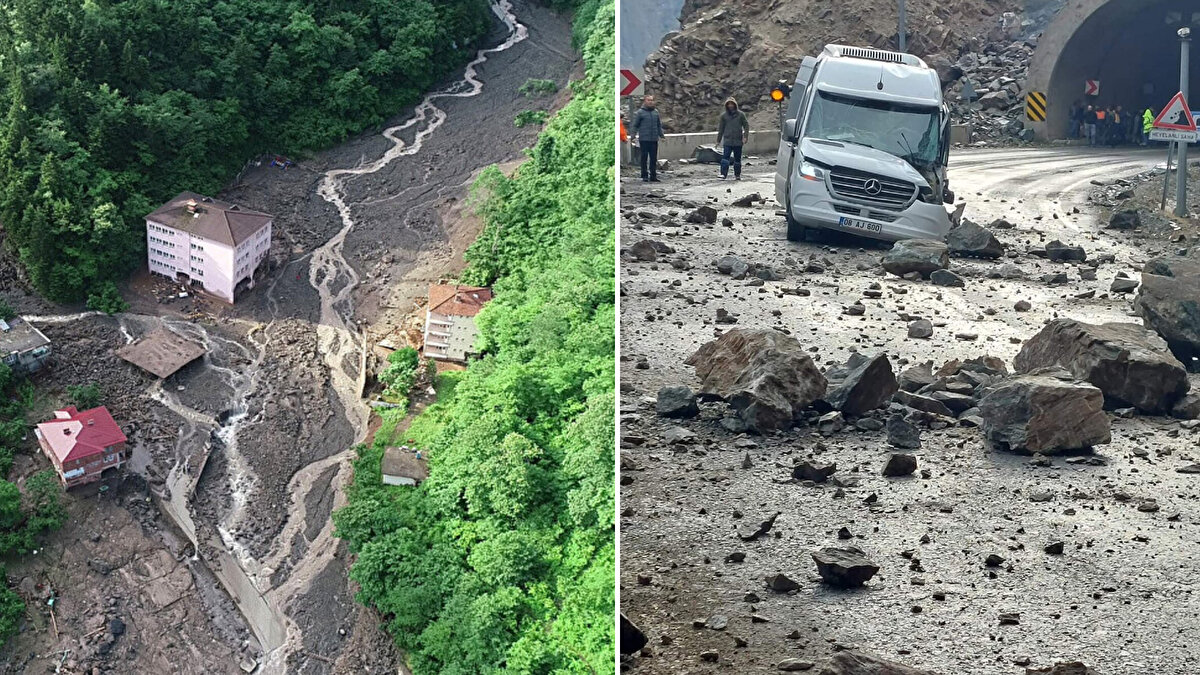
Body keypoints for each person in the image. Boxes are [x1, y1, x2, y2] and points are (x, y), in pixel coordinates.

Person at [632, 95, 666, 182]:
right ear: (645, 101)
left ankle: (653, 176)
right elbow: (635, 125)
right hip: (644, 139)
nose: (650, 102)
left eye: (652, 100)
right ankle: (644, 175)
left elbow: (658, 125)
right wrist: (633, 136)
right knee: (644, 158)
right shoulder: (640, 112)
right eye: (648, 100)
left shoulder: (656, 112)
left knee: (653, 158)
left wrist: (661, 136)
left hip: (654, 139)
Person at [715, 97, 750, 180]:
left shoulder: (741, 115)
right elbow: (721, 129)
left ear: (735, 105)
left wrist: (745, 137)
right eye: (729, 104)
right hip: (728, 141)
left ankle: (737, 175)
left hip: (738, 140)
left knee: (737, 159)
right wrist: (718, 141)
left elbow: (746, 125)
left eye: (732, 104)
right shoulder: (724, 116)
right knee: (725, 158)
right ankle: (723, 174)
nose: (730, 106)